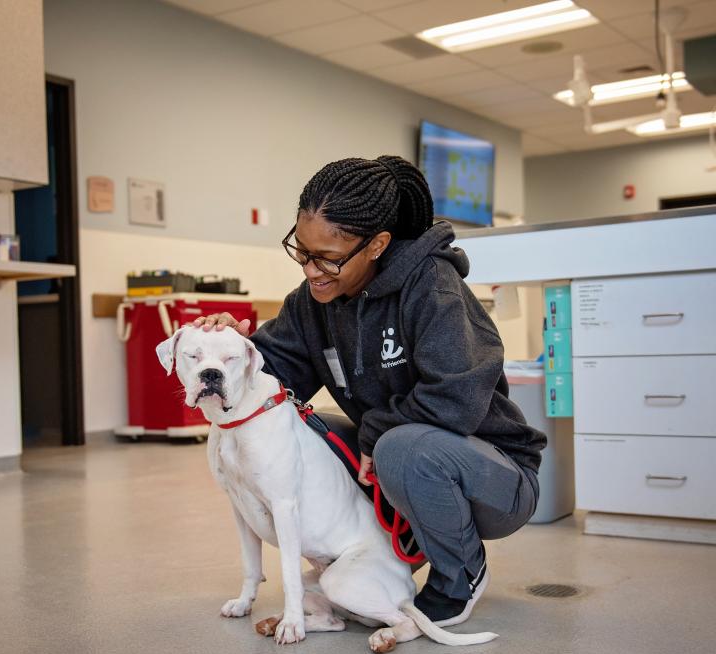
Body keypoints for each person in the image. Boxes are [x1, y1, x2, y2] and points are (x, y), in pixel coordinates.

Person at [194, 155, 547, 626]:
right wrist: (230, 351)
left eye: (329, 258)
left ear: (378, 244)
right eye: (301, 251)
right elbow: (274, 377)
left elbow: (455, 399)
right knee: (315, 431)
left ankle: (460, 571)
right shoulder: (313, 302)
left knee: (398, 446)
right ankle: (375, 559)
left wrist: (375, 433)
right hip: (405, 462)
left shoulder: (433, 287)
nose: (311, 270)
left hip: (495, 479)